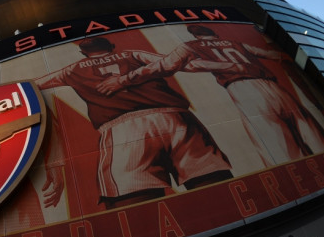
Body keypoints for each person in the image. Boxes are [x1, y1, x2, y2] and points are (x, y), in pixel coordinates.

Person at [36, 36, 232, 208]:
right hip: (177, 118)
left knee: (134, 201)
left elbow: (35, 84)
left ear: (82, 52)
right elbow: (183, 65)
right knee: (213, 184)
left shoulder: (71, 69)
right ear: (112, 46)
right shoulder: (133, 54)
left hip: (125, 129)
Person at [97, 24, 324, 165]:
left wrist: (123, 80)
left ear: (194, 34)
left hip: (242, 88)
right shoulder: (235, 43)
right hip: (272, 85)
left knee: (278, 143)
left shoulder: (191, 47)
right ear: (211, 32)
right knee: (310, 131)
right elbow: (274, 55)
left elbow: (164, 66)